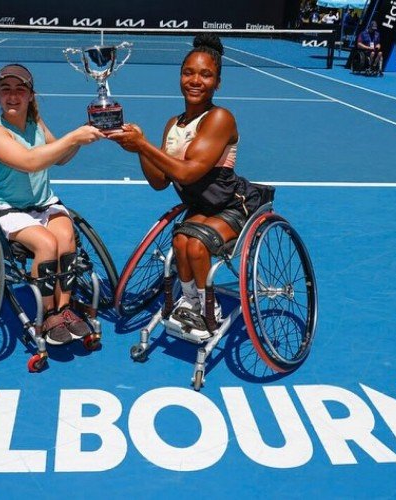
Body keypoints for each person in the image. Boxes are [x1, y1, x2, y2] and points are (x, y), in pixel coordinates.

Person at [107, 34, 272, 339]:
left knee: (195, 244)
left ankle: (210, 310)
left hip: (232, 205)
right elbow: (159, 181)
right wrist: (139, 149)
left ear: (218, 83)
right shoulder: (173, 124)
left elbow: (187, 172)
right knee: (181, 241)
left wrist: (143, 144)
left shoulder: (220, 118)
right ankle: (190, 301)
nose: (196, 80)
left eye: (206, 75)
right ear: (180, 77)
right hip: (200, 207)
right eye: (189, 73)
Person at [0, 63, 105, 346]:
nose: (13, 96)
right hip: (10, 209)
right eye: (5, 90)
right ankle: (47, 314)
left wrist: (86, 135)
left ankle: (63, 309)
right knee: (46, 245)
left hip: (45, 203)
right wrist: (74, 137)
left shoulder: (36, 125)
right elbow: (30, 162)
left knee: (65, 237)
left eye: (20, 90)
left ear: (31, 95)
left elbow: (60, 157)